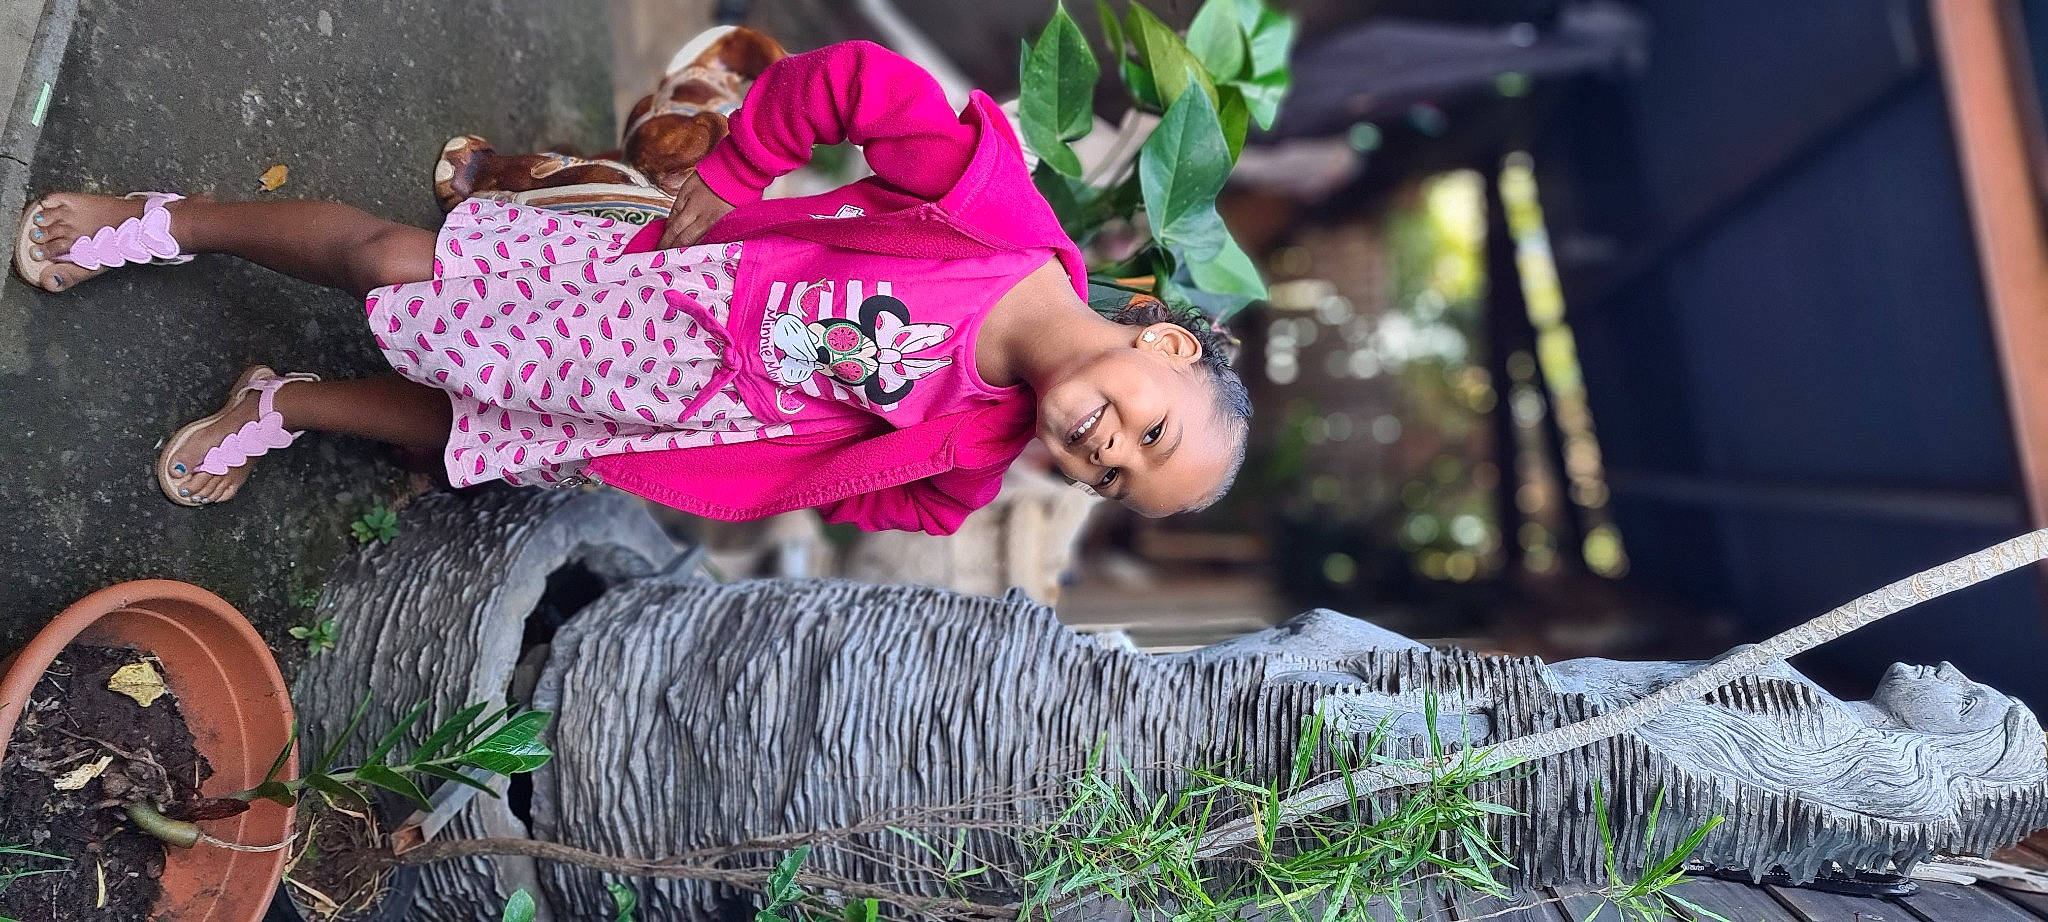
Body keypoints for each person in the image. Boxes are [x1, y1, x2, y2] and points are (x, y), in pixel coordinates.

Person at [12, 37, 1251, 535]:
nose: (1107, 453)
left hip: (654, 414)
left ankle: (281, 403)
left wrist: (794, 470)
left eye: (1117, 482)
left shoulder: (975, 452)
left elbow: (908, 510)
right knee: (395, 262)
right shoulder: (994, 225)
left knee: (465, 429)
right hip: (646, 293)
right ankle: (166, 221)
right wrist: (750, 155)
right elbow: (864, 88)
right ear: (1172, 348)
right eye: (1147, 432)